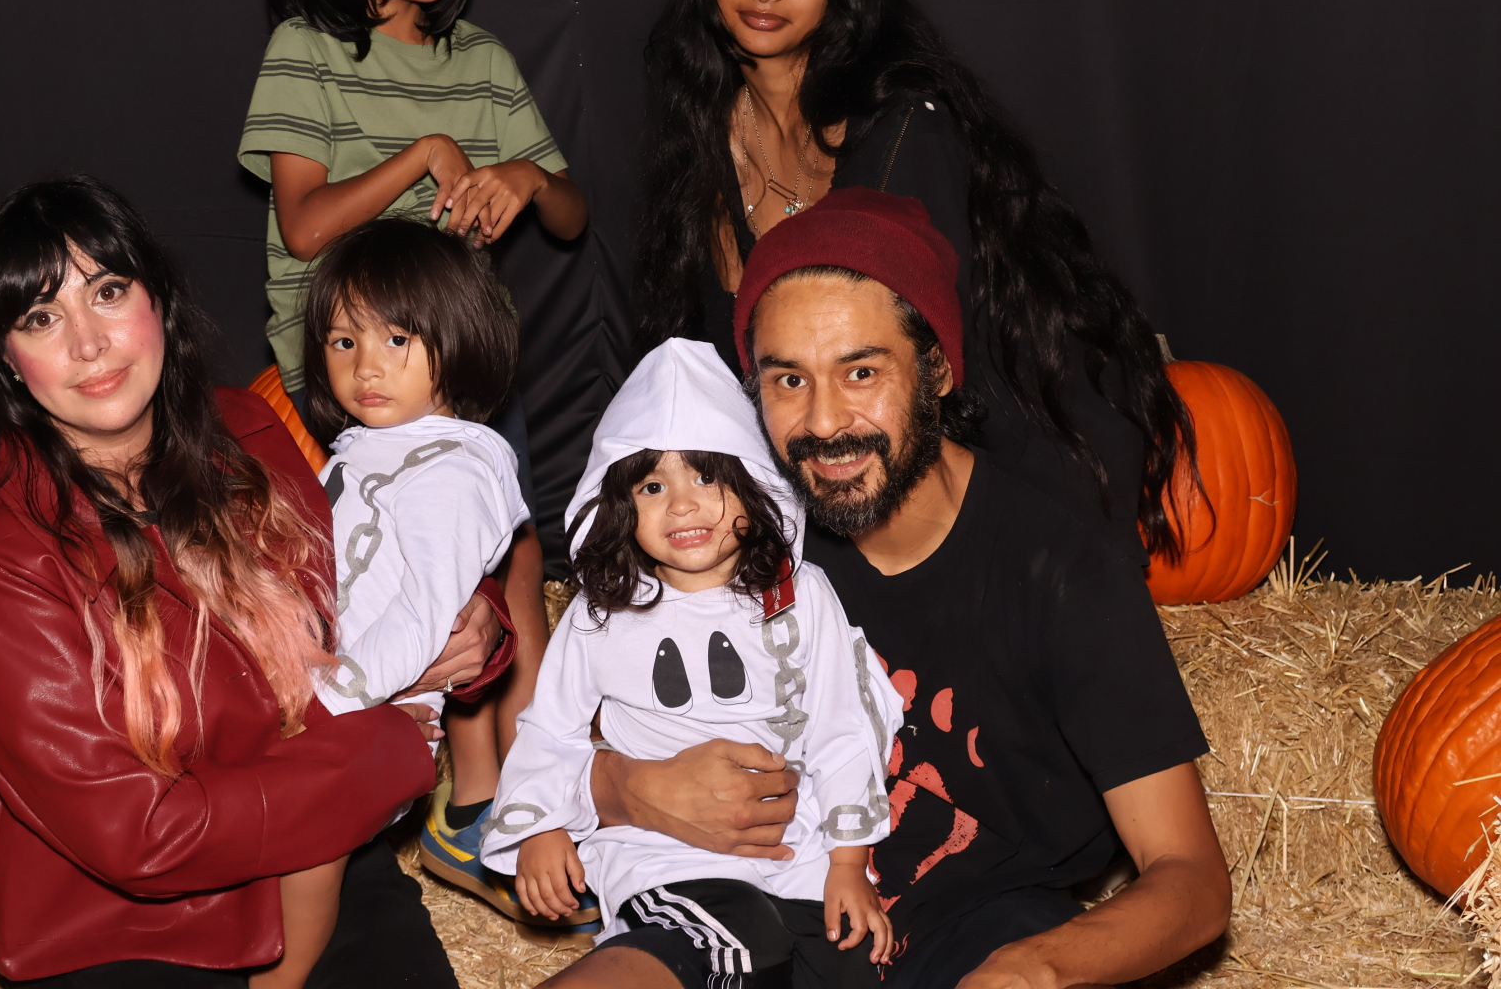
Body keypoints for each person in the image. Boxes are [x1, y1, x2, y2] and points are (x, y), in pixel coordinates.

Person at [592, 191, 1231, 988]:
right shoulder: (732, 534)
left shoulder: (1060, 568)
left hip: (974, 928)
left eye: (861, 371)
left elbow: (1191, 879)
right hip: (751, 902)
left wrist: (1031, 970)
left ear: (938, 367)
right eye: (789, 380)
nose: (825, 423)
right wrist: (627, 788)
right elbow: (569, 731)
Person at [0, 177, 508, 988]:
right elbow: (139, 833)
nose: (88, 343)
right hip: (125, 920)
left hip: (321, 851)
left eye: (108, 292)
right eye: (41, 318)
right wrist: (382, 751)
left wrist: (480, 623)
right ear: (9, 363)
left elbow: (376, 566)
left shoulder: (249, 435)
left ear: (157, 300)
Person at [637, 0, 1191, 569]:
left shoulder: (903, 130)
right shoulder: (702, 136)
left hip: (984, 441)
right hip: (825, 462)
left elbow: (932, 380)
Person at [238, 0, 588, 896]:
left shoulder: (480, 60)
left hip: (461, 378)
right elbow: (305, 226)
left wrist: (520, 179)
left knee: (514, 578)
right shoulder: (306, 53)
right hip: (346, 391)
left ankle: (503, 814)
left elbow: (571, 214)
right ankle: (370, 789)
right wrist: (427, 155)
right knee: (387, 589)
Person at [482, 339, 904, 988]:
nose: (681, 504)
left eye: (707, 476)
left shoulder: (802, 595)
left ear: (753, 484)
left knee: (846, 965)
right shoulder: (601, 612)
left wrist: (848, 863)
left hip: (798, 857)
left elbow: (842, 726)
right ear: (620, 505)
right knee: (736, 946)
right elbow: (551, 727)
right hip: (664, 858)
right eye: (652, 486)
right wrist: (540, 827)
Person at [296, 216, 560, 920]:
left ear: (458, 334)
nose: (366, 366)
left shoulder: (452, 468)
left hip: (356, 725)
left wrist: (324, 707)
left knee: (302, 871)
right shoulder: (371, 446)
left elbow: (426, 613)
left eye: (396, 340)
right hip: (328, 707)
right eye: (344, 342)